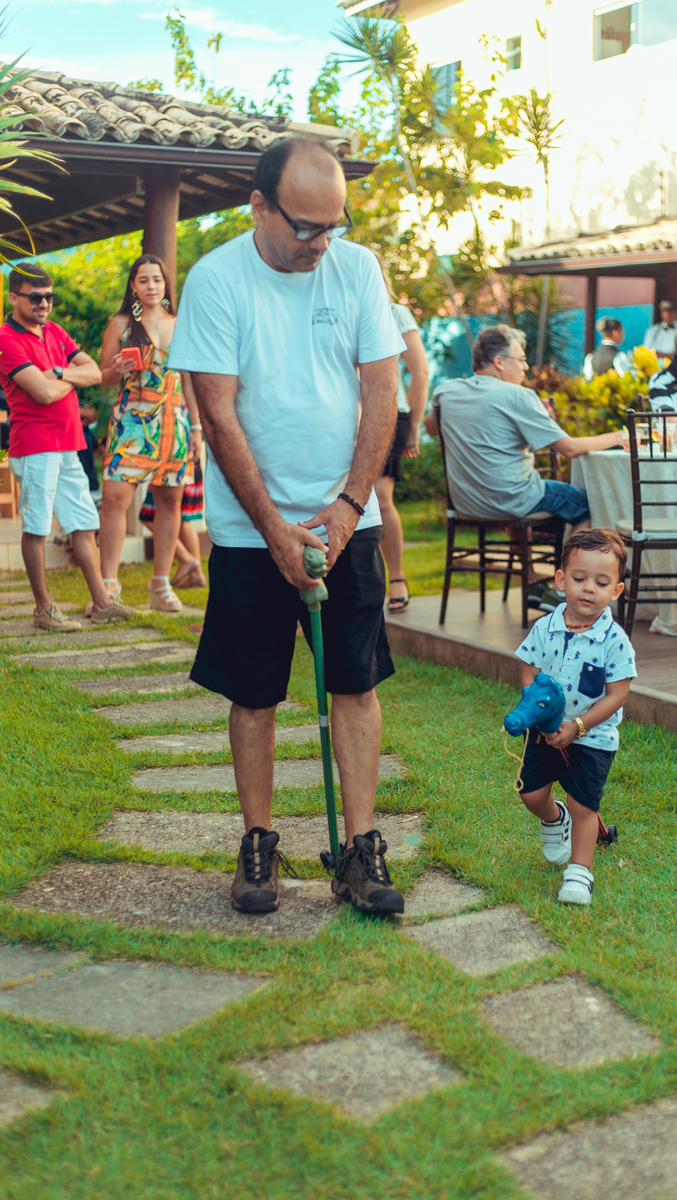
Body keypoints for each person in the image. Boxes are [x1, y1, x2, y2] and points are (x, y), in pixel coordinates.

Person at [169, 136, 406, 917]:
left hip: (349, 518)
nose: (320, 243)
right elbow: (218, 411)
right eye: (304, 226)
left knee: (355, 682)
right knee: (255, 692)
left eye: (332, 225)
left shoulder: (357, 268)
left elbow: (382, 393)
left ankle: (360, 849)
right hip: (247, 530)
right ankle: (260, 844)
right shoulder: (216, 280)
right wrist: (271, 526)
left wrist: (345, 507)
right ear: (260, 206)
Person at [427, 324, 625, 606]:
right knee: (585, 503)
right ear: (498, 362)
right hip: (512, 498)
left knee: (516, 488)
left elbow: (432, 428)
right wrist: (618, 436)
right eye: (520, 359)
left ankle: (531, 579)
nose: (525, 367)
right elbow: (569, 449)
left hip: (467, 503)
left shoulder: (446, 392)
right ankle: (566, 590)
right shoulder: (517, 396)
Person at [0, 262, 136, 631]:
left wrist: (60, 374)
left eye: (49, 297)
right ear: (14, 297)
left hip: (69, 441)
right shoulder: (6, 339)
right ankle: (44, 609)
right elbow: (41, 394)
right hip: (35, 445)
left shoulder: (55, 331)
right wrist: (70, 381)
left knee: (82, 522)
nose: (44, 303)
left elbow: (95, 372)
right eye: (35, 297)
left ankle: (102, 602)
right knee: (37, 525)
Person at [513, 527, 636, 907]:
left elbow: (618, 694)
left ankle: (580, 873)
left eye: (601, 582)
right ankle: (553, 820)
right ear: (561, 580)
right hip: (544, 733)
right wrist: (541, 710)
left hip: (592, 737)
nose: (588, 589)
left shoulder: (614, 641)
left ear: (615, 590)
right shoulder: (545, 628)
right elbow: (528, 670)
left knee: (584, 804)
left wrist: (578, 726)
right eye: (579, 579)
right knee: (531, 794)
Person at [98, 254, 203, 614]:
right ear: (133, 286)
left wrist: (197, 427)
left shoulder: (182, 323)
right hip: (131, 419)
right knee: (114, 498)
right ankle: (107, 585)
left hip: (174, 419)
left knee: (170, 501)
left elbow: (190, 378)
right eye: (143, 280)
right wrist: (115, 368)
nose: (151, 286)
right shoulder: (121, 324)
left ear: (165, 284)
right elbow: (104, 378)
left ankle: (160, 584)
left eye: (156, 279)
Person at [372, 257, 429, 614]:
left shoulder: (395, 313)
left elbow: (419, 372)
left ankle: (396, 576)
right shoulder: (338, 310)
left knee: (379, 496)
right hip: (345, 417)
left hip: (392, 414)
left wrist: (414, 429)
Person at [138, 460, 207, 589]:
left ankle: (186, 559)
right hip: (189, 466)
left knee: (150, 517)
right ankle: (196, 573)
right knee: (182, 522)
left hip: (174, 467)